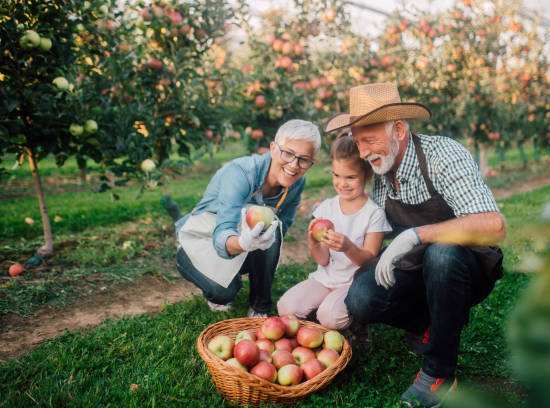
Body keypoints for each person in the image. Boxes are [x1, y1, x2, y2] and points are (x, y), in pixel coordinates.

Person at [324, 83, 506, 408]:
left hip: (466, 267)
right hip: (418, 268)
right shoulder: (380, 172)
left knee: (443, 252)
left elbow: (494, 224)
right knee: (363, 296)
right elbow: (367, 229)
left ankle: (438, 373)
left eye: (368, 140)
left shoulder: (441, 156)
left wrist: (416, 235)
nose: (362, 152)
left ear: (397, 129)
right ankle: (428, 322)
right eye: (357, 140)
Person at [175, 119, 321, 318]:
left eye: (304, 160)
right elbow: (223, 230)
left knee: (272, 227)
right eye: (288, 153)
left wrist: (262, 254)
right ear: (272, 148)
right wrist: (244, 244)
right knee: (224, 292)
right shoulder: (242, 173)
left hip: (242, 242)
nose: (294, 165)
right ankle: (201, 271)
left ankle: (260, 306)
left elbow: (284, 224)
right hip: (203, 240)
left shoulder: (297, 182)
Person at [277, 135, 391, 331]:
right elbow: (322, 260)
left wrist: (348, 247)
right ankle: (318, 322)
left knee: (330, 316)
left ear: (368, 175)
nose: (342, 183)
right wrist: (313, 243)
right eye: (336, 175)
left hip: (352, 284)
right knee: (286, 307)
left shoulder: (374, 214)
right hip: (325, 279)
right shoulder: (326, 209)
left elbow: (369, 260)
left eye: (350, 177)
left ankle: (354, 325)